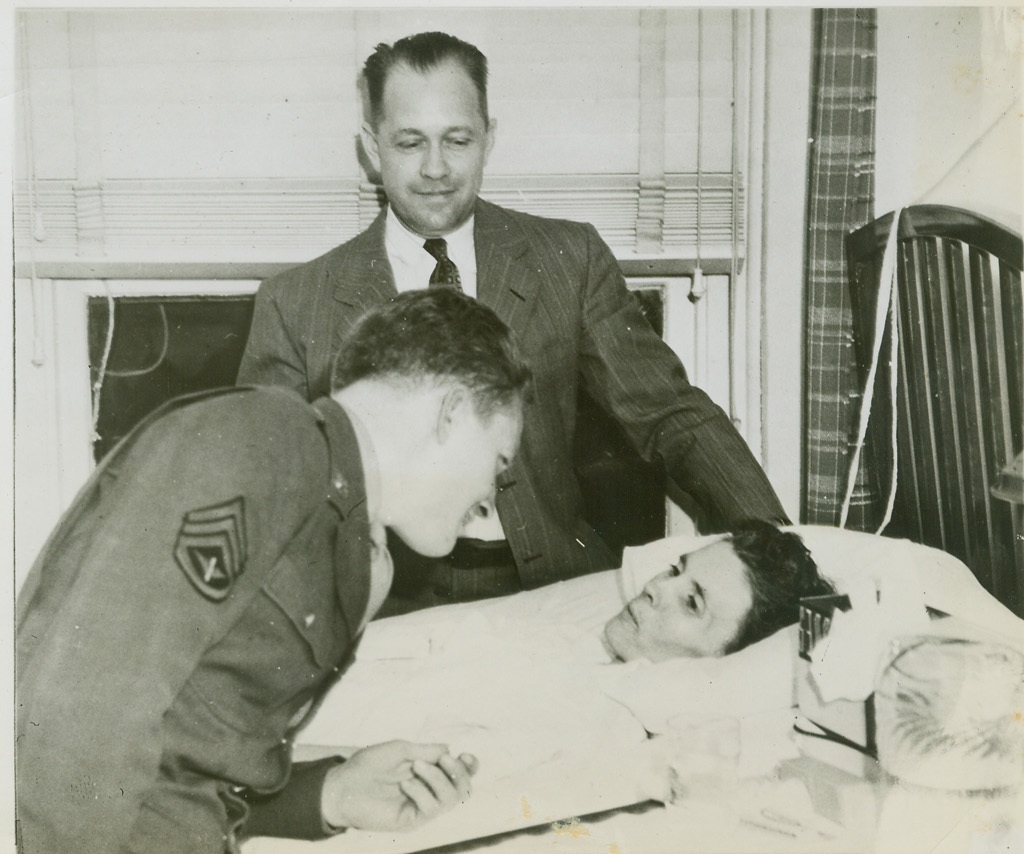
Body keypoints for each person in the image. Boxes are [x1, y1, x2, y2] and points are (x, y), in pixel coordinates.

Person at [236, 30, 790, 613]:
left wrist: (784, 548)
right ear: (372, 148)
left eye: (457, 139)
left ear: (488, 139)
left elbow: (672, 417)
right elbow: (267, 493)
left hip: (560, 593)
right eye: (409, 143)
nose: (435, 168)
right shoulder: (294, 302)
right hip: (386, 611)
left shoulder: (567, 259)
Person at [15, 289, 531, 854]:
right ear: (451, 412)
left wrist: (332, 794)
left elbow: (192, 767)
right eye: (499, 465)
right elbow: (81, 713)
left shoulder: (345, 535)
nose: (489, 500)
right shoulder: (263, 438)